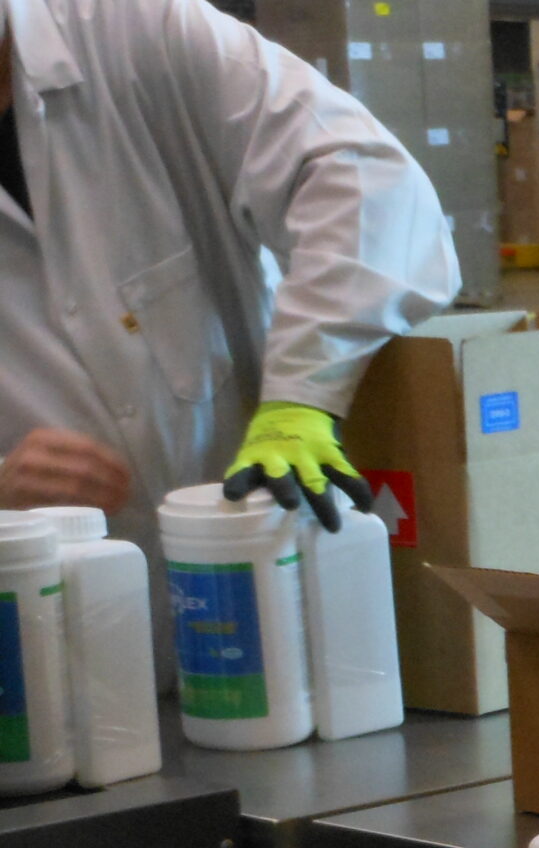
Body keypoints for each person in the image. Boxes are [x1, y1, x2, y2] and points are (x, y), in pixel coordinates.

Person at [0, 0, 459, 549]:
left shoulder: (142, 30)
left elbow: (368, 184)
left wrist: (301, 394)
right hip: (42, 586)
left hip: (250, 542)